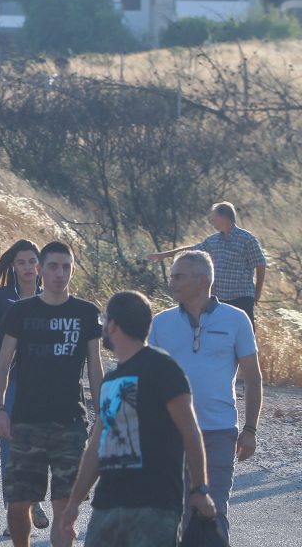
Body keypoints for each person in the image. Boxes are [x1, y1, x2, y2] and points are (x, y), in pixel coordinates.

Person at [58, 291, 216, 547]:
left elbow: (190, 430)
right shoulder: (111, 380)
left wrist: (200, 489)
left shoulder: (162, 367)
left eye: (103, 320)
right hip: (107, 504)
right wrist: (74, 503)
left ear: (113, 325)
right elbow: (97, 446)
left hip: (155, 506)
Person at [0, 241, 104, 547]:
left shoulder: (86, 313)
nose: (60, 273)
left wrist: (103, 416)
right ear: (40, 270)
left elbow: (95, 369)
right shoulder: (22, 311)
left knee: (65, 508)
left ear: (73, 270)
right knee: (18, 504)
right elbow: (2, 365)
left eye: (66, 267)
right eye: (53, 266)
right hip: (26, 422)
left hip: (70, 422)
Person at [148, 250, 262, 542]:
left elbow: (252, 376)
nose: (171, 282)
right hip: (170, 434)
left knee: (213, 510)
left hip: (219, 433)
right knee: (177, 515)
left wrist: (249, 429)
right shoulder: (161, 322)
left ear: (202, 281)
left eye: (178, 277)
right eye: (172, 276)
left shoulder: (237, 320)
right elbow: (148, 379)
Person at [0, 240, 47, 536]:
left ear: (40, 265)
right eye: (21, 262)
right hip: (9, 378)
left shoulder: (51, 297)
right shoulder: (1, 296)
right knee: (9, 445)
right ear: (13, 265)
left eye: (32, 262)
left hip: (43, 381)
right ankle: (15, 512)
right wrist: (15, 318)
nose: (27, 268)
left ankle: (33, 501)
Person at [148, 201, 267, 329]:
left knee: (244, 333)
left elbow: (260, 264)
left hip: (241, 298)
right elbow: (192, 250)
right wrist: (165, 255)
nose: (211, 219)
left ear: (224, 218)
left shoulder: (247, 239)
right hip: (219, 300)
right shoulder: (212, 241)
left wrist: (257, 292)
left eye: (214, 216)